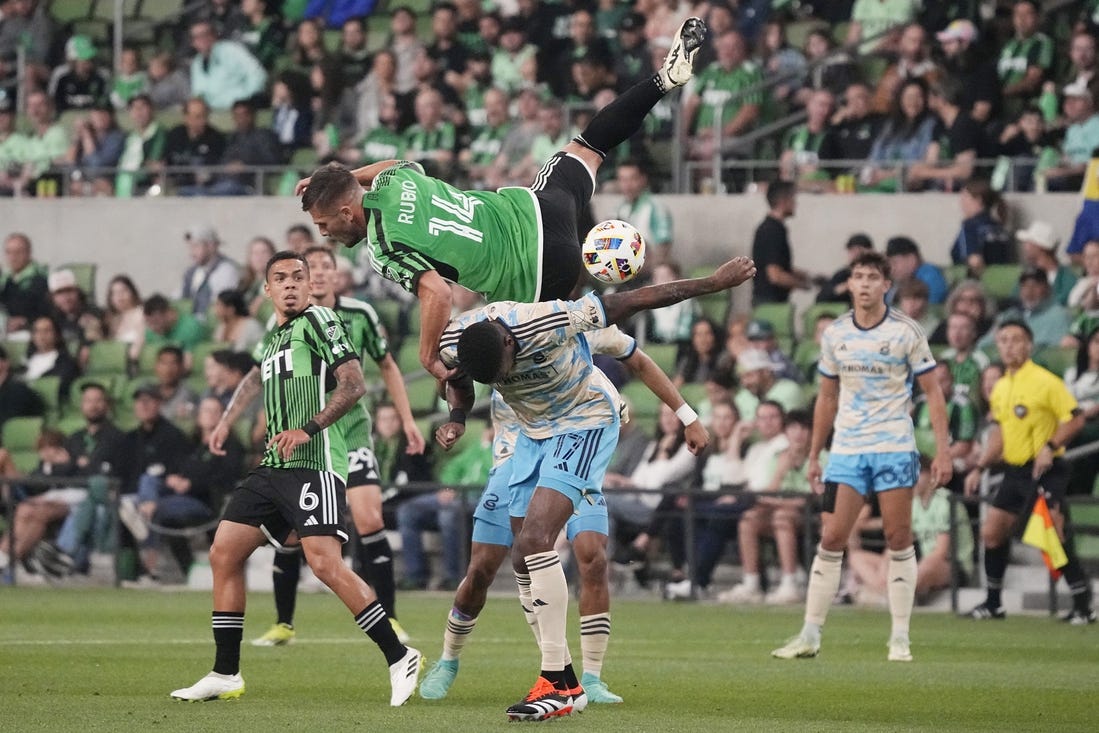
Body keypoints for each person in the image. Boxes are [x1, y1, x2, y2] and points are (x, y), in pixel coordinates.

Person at [428, 253, 753, 719]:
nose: (503, 379)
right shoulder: (459, 337)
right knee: (523, 554)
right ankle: (562, 680)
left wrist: (713, 283)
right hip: (529, 435)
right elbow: (458, 381)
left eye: (504, 367)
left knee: (549, 542)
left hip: (584, 421)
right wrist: (459, 416)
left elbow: (636, 299)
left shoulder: (551, 320)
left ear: (508, 338)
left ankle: (562, 683)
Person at [298, 17, 709, 381]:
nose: (323, 234)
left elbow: (438, 294)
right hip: (540, 211)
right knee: (588, 146)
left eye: (323, 224)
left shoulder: (382, 247)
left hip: (535, 278)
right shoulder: (392, 180)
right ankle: (664, 80)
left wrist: (426, 355)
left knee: (501, 355)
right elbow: (399, 162)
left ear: (348, 212)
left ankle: (597, 388)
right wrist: (343, 177)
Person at [170, 251, 423, 705]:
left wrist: (308, 429)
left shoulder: (320, 320)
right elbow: (251, 380)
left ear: (310, 286)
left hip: (316, 462)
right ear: (266, 290)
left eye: (298, 277)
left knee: (325, 564)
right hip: (274, 465)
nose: (290, 285)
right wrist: (227, 420)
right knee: (223, 551)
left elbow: (353, 384)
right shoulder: (274, 337)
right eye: (280, 278)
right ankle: (226, 671)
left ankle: (399, 653)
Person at [419, 327, 709, 702]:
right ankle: (449, 659)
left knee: (593, 558)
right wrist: (457, 415)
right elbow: (454, 370)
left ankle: (588, 677)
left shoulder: (571, 327)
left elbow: (636, 357)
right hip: (513, 462)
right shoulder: (497, 335)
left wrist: (685, 414)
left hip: (570, 459)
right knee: (481, 571)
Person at [772, 250, 952, 663]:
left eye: (873, 277)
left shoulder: (907, 332)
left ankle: (900, 637)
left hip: (892, 445)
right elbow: (827, 397)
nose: (865, 283)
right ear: (849, 284)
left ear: (887, 285)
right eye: (858, 276)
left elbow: (933, 393)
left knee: (898, 536)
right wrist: (815, 454)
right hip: (848, 450)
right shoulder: (836, 334)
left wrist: (942, 451)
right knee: (832, 537)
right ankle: (810, 634)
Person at [253, 245, 426, 647]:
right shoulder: (283, 324)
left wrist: (407, 419)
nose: (320, 274)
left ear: (330, 276)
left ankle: (390, 618)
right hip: (303, 435)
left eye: (326, 267)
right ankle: (284, 622)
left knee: (368, 518)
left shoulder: (358, 315)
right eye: (312, 268)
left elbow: (385, 366)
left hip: (349, 430)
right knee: (292, 527)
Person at [963, 320, 1096, 625]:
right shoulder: (1001, 388)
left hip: (1045, 469)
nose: (1009, 346)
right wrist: (980, 466)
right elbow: (999, 433)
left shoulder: (1045, 381)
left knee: (1056, 536)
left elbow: (1074, 419)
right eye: (1004, 341)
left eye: (1016, 340)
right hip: (1015, 470)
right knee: (992, 531)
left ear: (1029, 345)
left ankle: (1083, 605)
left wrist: (1050, 445)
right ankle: (994, 603)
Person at [848, 455, 973, 604]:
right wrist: (885, 567)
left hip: (953, 566)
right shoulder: (914, 503)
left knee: (925, 566)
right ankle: (885, 593)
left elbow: (940, 553)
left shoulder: (945, 502)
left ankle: (883, 595)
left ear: (931, 475)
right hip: (922, 562)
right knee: (857, 557)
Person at [751, 180, 808, 306]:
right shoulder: (773, 230)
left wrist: (807, 276)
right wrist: (803, 285)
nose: (795, 203)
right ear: (783, 201)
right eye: (793, 198)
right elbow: (775, 275)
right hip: (770, 304)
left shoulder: (770, 228)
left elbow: (778, 265)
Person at [187, 19, 267, 110]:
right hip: (214, 113)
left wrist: (247, 101)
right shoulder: (196, 63)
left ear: (214, 35)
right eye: (197, 37)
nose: (203, 39)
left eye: (206, 34)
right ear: (192, 42)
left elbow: (258, 74)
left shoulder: (231, 50)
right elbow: (199, 93)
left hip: (238, 110)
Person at [613, 159, 673, 264]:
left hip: (648, 271)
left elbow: (663, 247)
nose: (627, 185)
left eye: (632, 179)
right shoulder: (619, 208)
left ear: (643, 179)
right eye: (623, 179)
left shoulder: (656, 207)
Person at [950, 178, 1012, 277]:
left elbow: (974, 261)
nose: (961, 203)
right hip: (1003, 280)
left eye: (965, 197)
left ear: (978, 199)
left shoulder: (970, 226)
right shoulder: (999, 227)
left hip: (980, 284)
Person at [179, 225, 241, 317]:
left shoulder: (227, 270)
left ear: (211, 246)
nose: (191, 253)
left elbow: (223, 306)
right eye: (190, 247)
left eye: (196, 246)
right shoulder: (192, 271)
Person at [0, 232, 49, 334]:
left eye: (18, 252)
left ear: (29, 253)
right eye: (9, 252)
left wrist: (25, 321)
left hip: (32, 331)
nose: (13, 257)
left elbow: (45, 310)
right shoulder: (4, 279)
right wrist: (4, 322)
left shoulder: (41, 278)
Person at [885, 236, 948, 305]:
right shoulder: (898, 281)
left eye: (894, 263)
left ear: (911, 260)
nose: (891, 268)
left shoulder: (930, 276)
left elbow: (930, 307)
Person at [816, 233, 873, 304]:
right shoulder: (843, 274)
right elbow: (821, 298)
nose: (856, 255)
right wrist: (845, 286)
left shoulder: (877, 273)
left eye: (860, 251)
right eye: (852, 251)